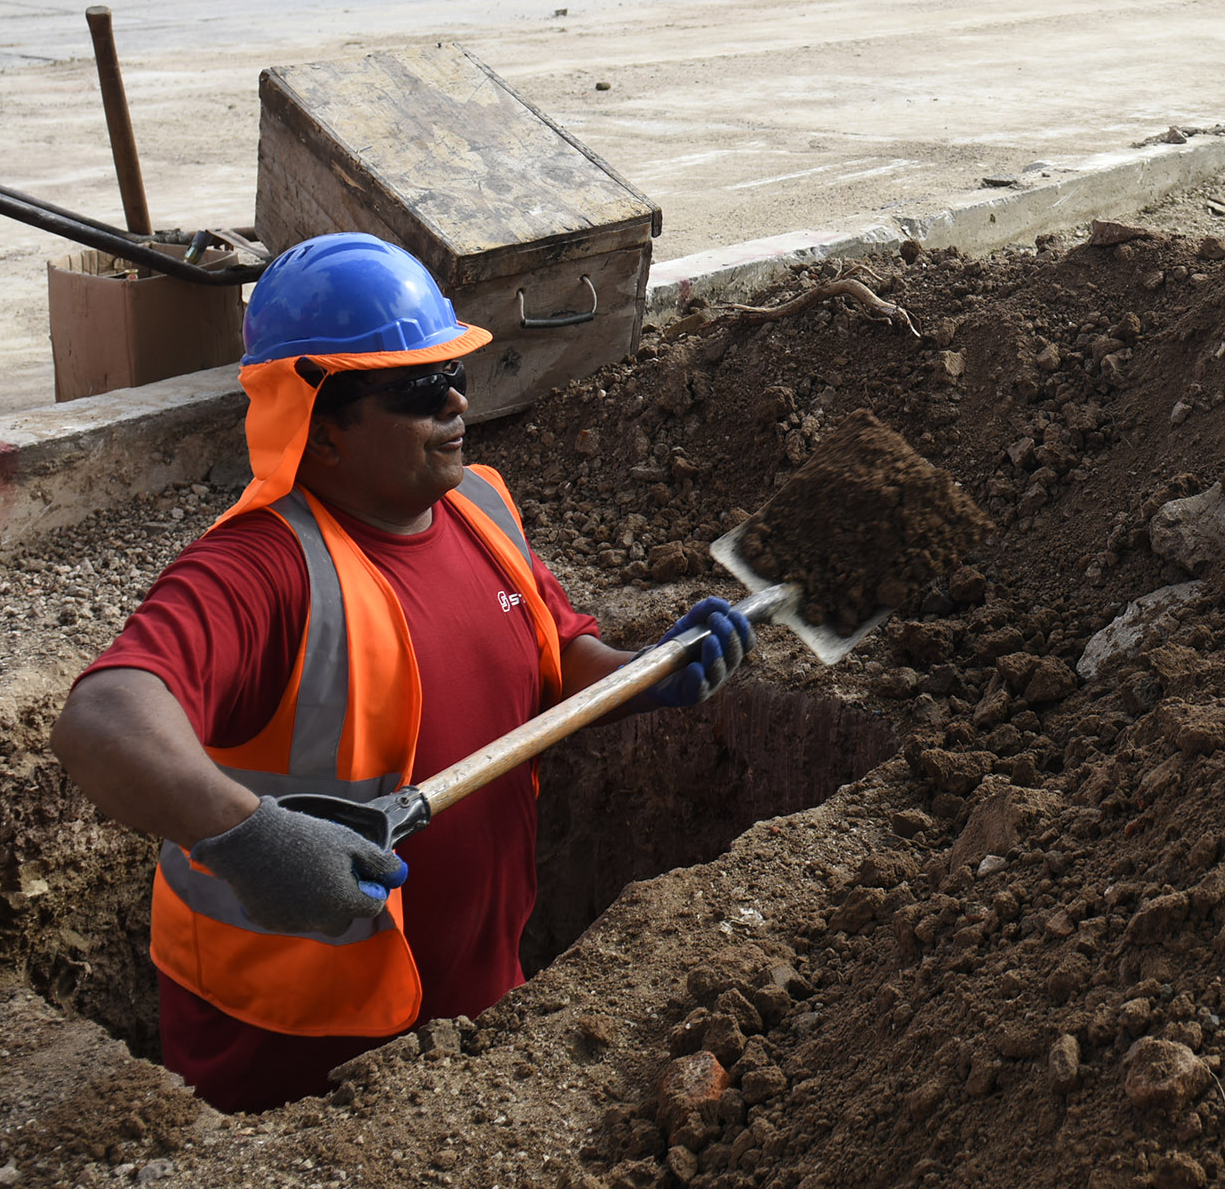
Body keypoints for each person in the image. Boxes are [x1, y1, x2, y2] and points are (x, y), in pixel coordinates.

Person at [49, 234, 752, 1113]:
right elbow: (104, 717)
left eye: (456, 373)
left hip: (475, 1001)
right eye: (419, 389)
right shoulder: (260, 570)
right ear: (322, 426)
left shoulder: (480, 506)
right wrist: (250, 838)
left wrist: (645, 675)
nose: (457, 402)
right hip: (295, 1052)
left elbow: (553, 661)